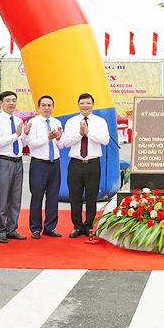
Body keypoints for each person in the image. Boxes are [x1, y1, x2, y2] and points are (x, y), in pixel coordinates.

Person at [62, 92, 110, 237]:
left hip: (93, 163)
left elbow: (105, 140)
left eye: (88, 103)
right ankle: (77, 226)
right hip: (75, 163)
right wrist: (79, 134)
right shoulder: (71, 122)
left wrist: (88, 133)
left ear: (93, 105)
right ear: (78, 105)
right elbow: (65, 142)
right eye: (82, 103)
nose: (85, 106)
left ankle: (89, 226)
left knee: (91, 196)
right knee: (75, 196)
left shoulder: (100, 121)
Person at [0, 90, 28, 244]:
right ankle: (0, 230)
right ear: (1, 103)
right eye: (8, 100)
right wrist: (15, 135)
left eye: (13, 100)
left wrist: (25, 134)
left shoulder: (18, 120)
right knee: (3, 197)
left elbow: (23, 143)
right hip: (4, 161)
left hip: (18, 161)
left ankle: (12, 229)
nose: (11, 103)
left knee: (16, 198)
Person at [26, 95, 63, 242]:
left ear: (53, 107)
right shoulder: (33, 123)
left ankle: (50, 227)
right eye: (44, 105)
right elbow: (31, 144)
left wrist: (58, 138)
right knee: (37, 197)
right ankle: (35, 228)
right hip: (39, 164)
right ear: (38, 107)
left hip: (54, 163)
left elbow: (61, 145)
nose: (47, 108)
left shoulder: (56, 122)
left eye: (49, 105)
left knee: (53, 197)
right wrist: (47, 138)